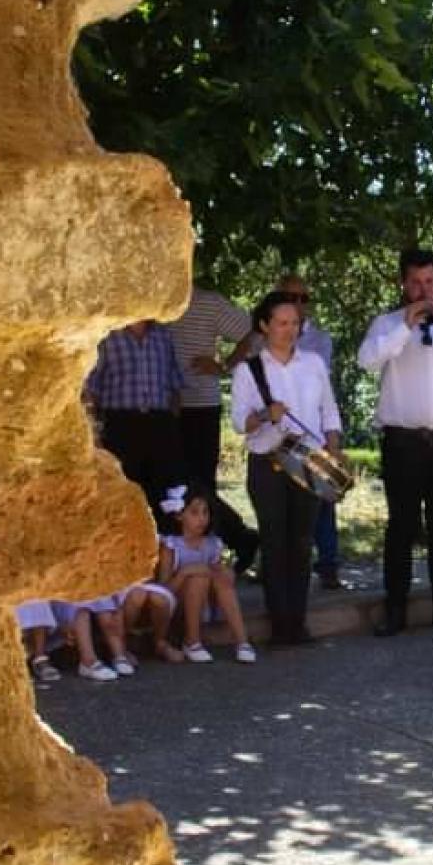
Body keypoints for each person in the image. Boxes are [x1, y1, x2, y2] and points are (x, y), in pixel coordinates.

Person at [357, 249, 433, 636]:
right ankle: (396, 609)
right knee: (401, 527)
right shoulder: (387, 323)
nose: (423, 288)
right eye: (414, 282)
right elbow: (367, 361)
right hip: (402, 441)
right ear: (403, 285)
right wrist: (404, 328)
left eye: (429, 281)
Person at [234, 291, 342, 647]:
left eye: (294, 323)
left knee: (301, 542)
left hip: (308, 461)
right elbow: (239, 423)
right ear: (264, 325)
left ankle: (298, 621)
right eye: (281, 323)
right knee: (274, 541)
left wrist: (334, 451)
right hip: (268, 462)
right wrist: (267, 415)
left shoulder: (313, 363)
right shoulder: (248, 369)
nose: (289, 329)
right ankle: (279, 623)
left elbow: (329, 410)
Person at [165, 284, 261, 574]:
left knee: (200, 486)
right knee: (171, 486)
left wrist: (225, 365)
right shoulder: (151, 302)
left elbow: (256, 332)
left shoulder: (208, 302)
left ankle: (231, 543)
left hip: (200, 404)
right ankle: (182, 556)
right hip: (160, 404)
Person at [276, 273, 344, 590]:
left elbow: (322, 394)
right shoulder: (260, 341)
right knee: (279, 510)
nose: (298, 305)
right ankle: (277, 566)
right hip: (275, 437)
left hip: (312, 434)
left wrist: (333, 441)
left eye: (304, 299)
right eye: (291, 298)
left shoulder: (320, 342)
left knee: (322, 504)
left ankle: (328, 564)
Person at [82, 319, 185, 505]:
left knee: (163, 488)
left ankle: (160, 532)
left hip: (160, 422)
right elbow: (91, 387)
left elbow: (174, 383)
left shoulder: (163, 335)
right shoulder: (108, 335)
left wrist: (172, 422)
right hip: (120, 424)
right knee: (122, 487)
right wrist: (94, 432)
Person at [156, 484, 255, 663]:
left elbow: (223, 578)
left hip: (206, 607)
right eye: (194, 513)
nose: (202, 519)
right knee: (198, 579)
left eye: (205, 513)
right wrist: (186, 572)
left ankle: (242, 641)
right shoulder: (171, 546)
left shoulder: (212, 543)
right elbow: (163, 593)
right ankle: (192, 641)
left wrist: (225, 572)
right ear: (179, 515)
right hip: (179, 608)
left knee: (219, 578)